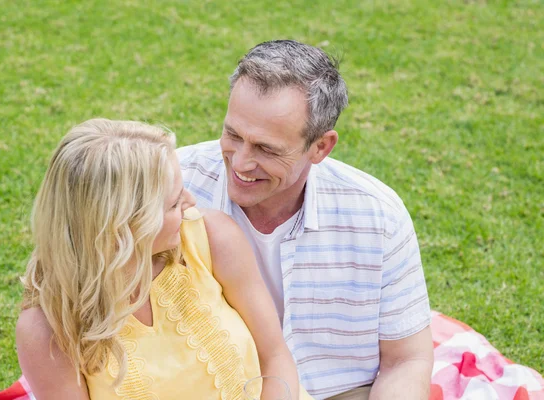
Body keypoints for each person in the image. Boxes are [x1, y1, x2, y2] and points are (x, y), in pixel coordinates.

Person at [177, 40, 434, 400]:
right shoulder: (171, 187)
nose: (240, 163)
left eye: (267, 149)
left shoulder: (379, 216)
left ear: (321, 147)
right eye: (233, 134)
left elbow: (405, 361)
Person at [15, 119, 312, 399]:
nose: (191, 202)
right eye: (173, 203)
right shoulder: (48, 327)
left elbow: (275, 356)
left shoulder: (212, 238)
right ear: (122, 227)